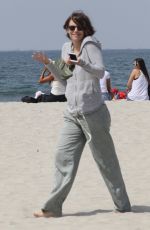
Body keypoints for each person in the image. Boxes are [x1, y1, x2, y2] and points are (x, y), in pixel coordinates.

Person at [32, 10, 131, 218]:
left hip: (93, 114)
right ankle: (52, 208)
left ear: (85, 28)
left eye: (78, 27)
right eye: (71, 27)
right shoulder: (65, 47)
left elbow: (100, 71)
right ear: (67, 30)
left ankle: (122, 206)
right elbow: (63, 76)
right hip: (72, 114)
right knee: (62, 156)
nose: (74, 31)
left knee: (106, 163)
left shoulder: (91, 46)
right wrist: (48, 63)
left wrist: (81, 62)